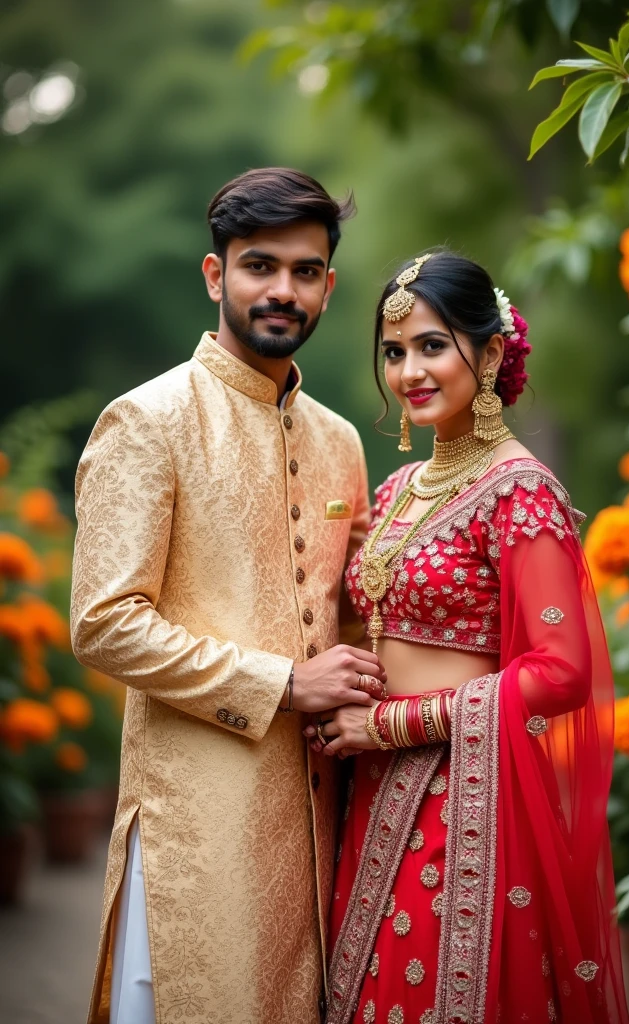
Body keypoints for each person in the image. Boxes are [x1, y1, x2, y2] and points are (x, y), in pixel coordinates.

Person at [71, 167, 388, 1024]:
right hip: (199, 823)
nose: (283, 290)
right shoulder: (146, 420)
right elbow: (103, 625)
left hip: (323, 824)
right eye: (260, 265)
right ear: (217, 276)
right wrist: (286, 684)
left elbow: (352, 612)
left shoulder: (341, 438)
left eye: (306, 270)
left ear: (328, 284)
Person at [308, 250, 629, 1024]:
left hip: (469, 804)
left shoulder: (520, 490)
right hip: (373, 796)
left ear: (487, 353)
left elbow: (560, 673)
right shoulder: (394, 492)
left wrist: (386, 723)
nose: (410, 370)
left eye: (431, 345)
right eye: (394, 351)